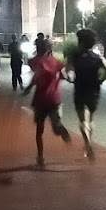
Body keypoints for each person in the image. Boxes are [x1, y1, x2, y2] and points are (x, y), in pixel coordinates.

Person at [20, 36, 72, 168]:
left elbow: (35, 76)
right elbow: (65, 75)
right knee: (56, 127)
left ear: (37, 49)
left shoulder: (35, 61)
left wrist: (28, 89)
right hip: (54, 99)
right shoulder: (56, 62)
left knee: (39, 130)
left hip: (40, 100)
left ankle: (40, 157)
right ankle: (61, 130)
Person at [65, 28, 106, 159]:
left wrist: (69, 78)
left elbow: (67, 70)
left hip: (80, 89)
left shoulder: (74, 56)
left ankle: (87, 144)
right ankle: (88, 144)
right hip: (94, 89)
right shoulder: (97, 57)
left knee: (82, 120)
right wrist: (101, 80)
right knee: (90, 118)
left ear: (80, 42)